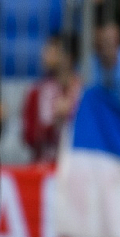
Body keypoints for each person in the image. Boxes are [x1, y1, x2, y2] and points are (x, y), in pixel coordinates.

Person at [22, 35, 81, 163]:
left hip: (74, 168)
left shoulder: (83, 93)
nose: (45, 55)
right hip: (44, 167)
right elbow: (28, 136)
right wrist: (54, 123)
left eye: (53, 51)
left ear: (68, 57)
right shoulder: (36, 92)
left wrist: (71, 116)